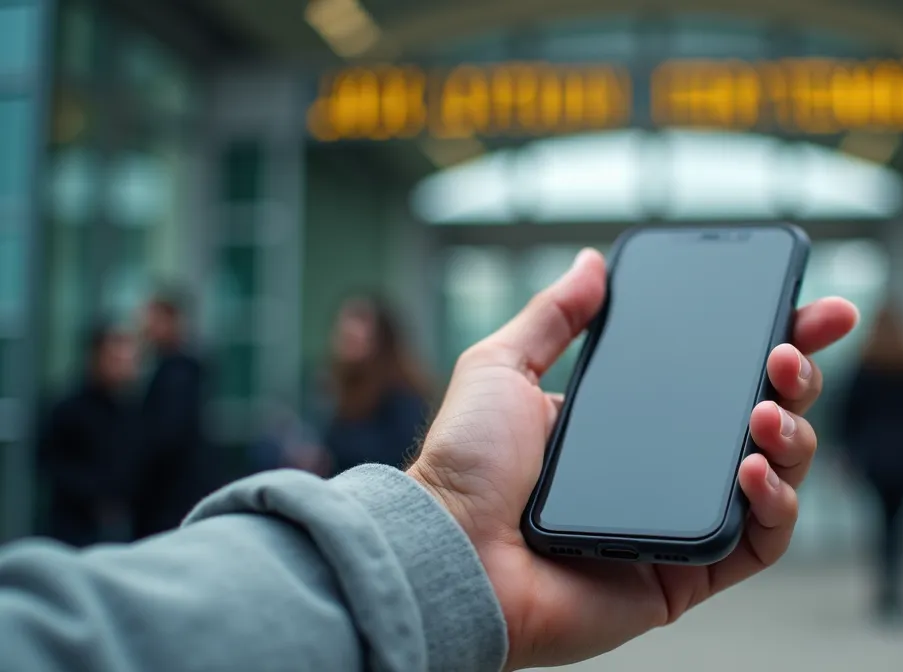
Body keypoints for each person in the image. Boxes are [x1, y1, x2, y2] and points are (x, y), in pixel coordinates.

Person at [0, 249, 857, 670]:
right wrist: (443, 529)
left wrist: (445, 521)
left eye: (357, 327)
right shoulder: (330, 387)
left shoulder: (404, 393)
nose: (346, 337)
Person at [839, 301, 903, 623]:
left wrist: (850, 452)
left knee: (882, 527)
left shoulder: (864, 367)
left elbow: (845, 415)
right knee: (899, 528)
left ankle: (885, 592)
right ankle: (897, 591)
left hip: (874, 460)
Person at [36, 323, 141, 547]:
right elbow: (49, 461)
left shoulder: (132, 410)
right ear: (96, 357)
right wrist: (95, 496)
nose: (124, 366)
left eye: (127, 360)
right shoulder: (68, 408)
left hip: (122, 528)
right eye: (116, 358)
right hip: (73, 528)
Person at [322, 294, 432, 474]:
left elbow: (398, 459)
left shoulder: (402, 394)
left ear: (381, 336)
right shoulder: (345, 387)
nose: (348, 328)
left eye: (359, 321)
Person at [135, 289, 209, 539]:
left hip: (170, 496)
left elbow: (167, 437)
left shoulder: (178, 373)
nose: (145, 327)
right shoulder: (168, 368)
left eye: (153, 320)